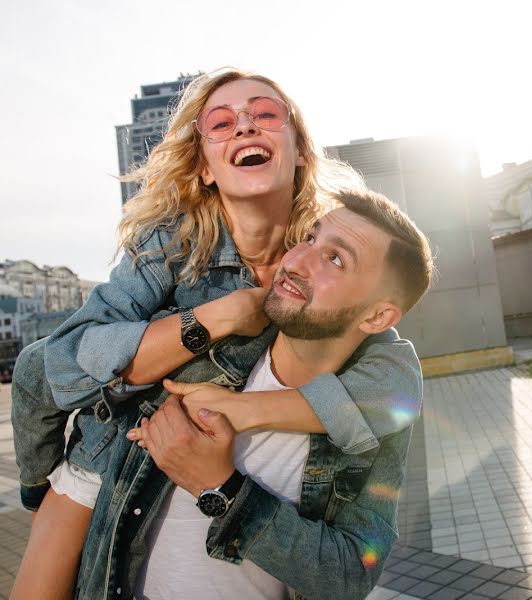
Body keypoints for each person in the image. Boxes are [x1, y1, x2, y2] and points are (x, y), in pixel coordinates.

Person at [10, 70, 422, 599]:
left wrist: (242, 412)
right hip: (107, 459)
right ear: (204, 167)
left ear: (299, 148)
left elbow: (396, 384)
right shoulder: (168, 249)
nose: (246, 126)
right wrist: (221, 316)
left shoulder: (319, 268)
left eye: (266, 114)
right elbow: (56, 362)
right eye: (222, 123)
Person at [78, 189, 433, 599]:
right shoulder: (200, 357)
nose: (297, 261)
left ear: (377, 316)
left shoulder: (372, 421)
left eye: (335, 259)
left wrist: (219, 488)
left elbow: (349, 574)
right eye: (309, 239)